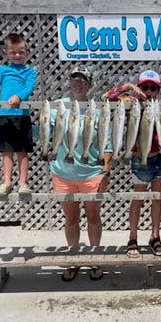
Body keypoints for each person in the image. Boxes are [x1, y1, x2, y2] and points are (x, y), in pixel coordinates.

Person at [50, 65, 111, 281]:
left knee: (93, 217)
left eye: (83, 80)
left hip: (91, 173)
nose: (78, 83)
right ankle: (74, 256)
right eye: (74, 78)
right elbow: (44, 132)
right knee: (71, 218)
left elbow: (108, 142)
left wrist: (105, 171)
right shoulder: (58, 107)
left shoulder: (98, 108)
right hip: (62, 172)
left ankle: (94, 257)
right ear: (69, 81)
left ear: (90, 84)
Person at [104, 70, 161, 258]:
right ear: (139, 87)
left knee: (157, 199)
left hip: (160, 157)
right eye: (144, 87)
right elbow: (106, 98)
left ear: (158, 90)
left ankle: (155, 236)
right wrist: (127, 88)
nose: (148, 91)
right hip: (140, 158)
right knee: (137, 199)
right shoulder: (130, 104)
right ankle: (133, 237)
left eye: (153, 88)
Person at [0, 33, 37, 195]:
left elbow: (29, 88)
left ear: (27, 52)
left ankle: (23, 183)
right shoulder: (2, 70)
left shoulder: (30, 71)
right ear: (6, 53)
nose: (17, 55)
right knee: (7, 150)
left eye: (21, 52)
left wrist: (19, 97)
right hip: (4, 115)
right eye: (13, 52)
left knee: (22, 151)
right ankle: (7, 182)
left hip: (22, 116)